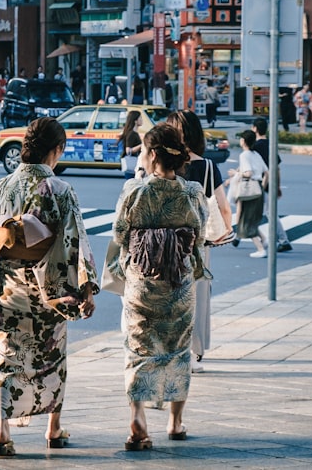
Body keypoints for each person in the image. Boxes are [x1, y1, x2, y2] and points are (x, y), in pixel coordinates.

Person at [0, 118, 98, 457]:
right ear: (55, 151)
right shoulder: (60, 190)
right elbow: (75, 242)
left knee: (7, 358)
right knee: (52, 357)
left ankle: (2, 431)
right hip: (49, 291)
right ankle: (53, 427)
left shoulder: (2, 187)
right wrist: (85, 288)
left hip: (10, 289)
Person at [108, 123, 206, 449]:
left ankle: (137, 419)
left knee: (138, 349)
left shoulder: (133, 191)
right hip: (178, 282)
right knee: (178, 350)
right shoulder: (192, 192)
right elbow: (199, 238)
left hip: (142, 282)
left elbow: (120, 235)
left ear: (151, 155)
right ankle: (175, 423)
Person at [166, 110, 233, 374]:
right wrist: (225, 230)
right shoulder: (206, 166)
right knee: (197, 297)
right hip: (198, 243)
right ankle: (195, 350)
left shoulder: (166, 165)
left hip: (167, 241)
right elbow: (223, 206)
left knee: (171, 296)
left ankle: (171, 349)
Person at [250, 118, 291, 251]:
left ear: (255, 128)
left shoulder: (255, 147)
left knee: (265, 213)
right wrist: (278, 186)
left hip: (260, 184)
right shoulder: (270, 145)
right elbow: (277, 168)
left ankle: (283, 240)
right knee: (267, 212)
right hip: (271, 184)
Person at [232, 130, 270, 258]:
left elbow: (248, 173)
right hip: (258, 189)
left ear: (243, 141)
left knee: (246, 220)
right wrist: (261, 188)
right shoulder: (256, 155)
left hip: (249, 190)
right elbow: (267, 173)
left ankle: (260, 249)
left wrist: (236, 174)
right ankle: (264, 240)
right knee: (252, 219)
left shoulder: (244, 155)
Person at [117, 110, 143, 180]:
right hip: (132, 163)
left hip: (134, 163)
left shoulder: (134, 133)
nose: (142, 120)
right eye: (140, 118)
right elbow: (128, 150)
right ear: (135, 121)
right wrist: (141, 145)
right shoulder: (131, 134)